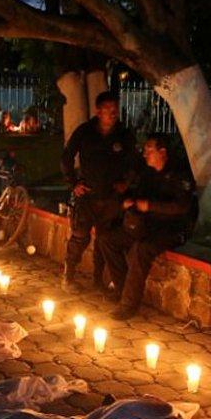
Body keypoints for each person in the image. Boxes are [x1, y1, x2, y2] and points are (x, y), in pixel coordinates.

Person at [99, 134, 195, 319]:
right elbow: (138, 195)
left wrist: (150, 206)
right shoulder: (148, 173)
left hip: (171, 229)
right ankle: (122, 290)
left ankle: (128, 305)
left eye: (149, 150)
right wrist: (128, 200)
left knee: (140, 249)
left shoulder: (179, 174)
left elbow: (181, 206)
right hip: (148, 225)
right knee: (107, 240)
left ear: (162, 152)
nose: (145, 154)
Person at [60, 91, 135, 293]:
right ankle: (68, 276)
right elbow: (66, 157)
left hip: (111, 198)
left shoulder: (124, 134)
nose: (112, 113)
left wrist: (126, 183)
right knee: (80, 237)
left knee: (104, 239)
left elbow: (133, 162)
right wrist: (73, 183)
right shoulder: (85, 131)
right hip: (87, 195)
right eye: (108, 109)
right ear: (98, 111)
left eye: (115, 109)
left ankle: (98, 280)